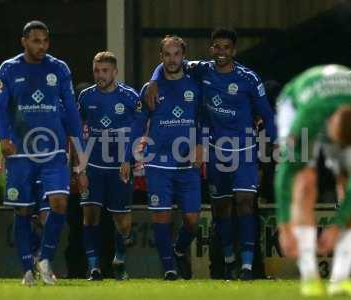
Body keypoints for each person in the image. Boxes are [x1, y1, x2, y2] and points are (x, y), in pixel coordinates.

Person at [145, 28, 276, 280]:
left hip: (245, 151)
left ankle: (247, 266)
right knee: (222, 207)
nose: (221, 52)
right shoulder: (201, 70)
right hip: (215, 151)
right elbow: (171, 63)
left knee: (245, 202)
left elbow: (267, 114)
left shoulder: (248, 78)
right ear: (211, 49)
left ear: (234, 51)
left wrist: (277, 142)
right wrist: (153, 78)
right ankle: (228, 261)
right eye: (217, 47)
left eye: (226, 47)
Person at [0, 20, 87, 286]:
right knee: (22, 211)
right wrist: (4, 138)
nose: (41, 46)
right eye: (35, 41)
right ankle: (26, 269)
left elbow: (70, 110)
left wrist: (79, 149)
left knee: (59, 203)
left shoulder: (59, 68)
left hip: (53, 149)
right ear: (24, 42)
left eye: (45, 41)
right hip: (21, 152)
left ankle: (44, 259)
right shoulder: (9, 69)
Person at [275, 64, 351, 297]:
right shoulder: (310, 116)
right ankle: (310, 277)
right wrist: (284, 225)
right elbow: (286, 173)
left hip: (341, 105)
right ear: (331, 124)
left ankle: (341, 278)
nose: (337, 148)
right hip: (297, 103)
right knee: (305, 181)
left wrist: (338, 225)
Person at [121, 35, 203, 280]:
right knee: (161, 216)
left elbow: (202, 119)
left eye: (176, 54)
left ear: (183, 56)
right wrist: (127, 157)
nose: (172, 59)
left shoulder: (195, 84)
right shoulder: (150, 89)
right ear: (161, 57)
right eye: (167, 55)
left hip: (187, 162)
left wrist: (200, 144)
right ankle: (169, 268)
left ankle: (179, 249)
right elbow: (138, 125)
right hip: (157, 162)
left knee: (192, 220)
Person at [77, 51, 137, 281]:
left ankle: (119, 261)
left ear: (115, 72)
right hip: (93, 165)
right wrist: (79, 168)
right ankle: (94, 267)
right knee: (90, 216)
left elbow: (140, 128)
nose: (100, 75)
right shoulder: (86, 97)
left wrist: (130, 159)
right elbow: (76, 129)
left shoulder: (130, 97)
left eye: (104, 71)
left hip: (120, 167)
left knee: (122, 221)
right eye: (96, 71)